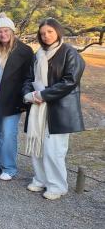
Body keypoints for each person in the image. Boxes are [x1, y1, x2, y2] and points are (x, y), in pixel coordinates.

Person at [22, 18, 85, 200]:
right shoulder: (38, 54)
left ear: (58, 31)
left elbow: (70, 81)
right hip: (37, 107)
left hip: (59, 109)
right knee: (37, 145)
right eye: (42, 33)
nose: (46, 36)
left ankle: (57, 185)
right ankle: (40, 179)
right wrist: (28, 94)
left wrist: (44, 95)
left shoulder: (70, 53)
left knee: (54, 150)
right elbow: (27, 78)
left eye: (49, 31)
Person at [0, 13, 33, 181]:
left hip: (12, 99)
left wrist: (25, 97)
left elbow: (29, 76)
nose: (2, 34)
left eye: (5, 31)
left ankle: (9, 167)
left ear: (12, 31)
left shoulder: (24, 51)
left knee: (9, 132)